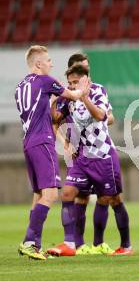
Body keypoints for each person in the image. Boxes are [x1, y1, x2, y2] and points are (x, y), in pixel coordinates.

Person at [47, 64, 133, 257]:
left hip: (102, 155)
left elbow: (101, 116)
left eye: (75, 82)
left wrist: (84, 97)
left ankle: (122, 245)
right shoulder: (69, 97)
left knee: (110, 199)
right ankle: (71, 243)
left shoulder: (97, 92)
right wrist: (53, 101)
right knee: (68, 193)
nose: (72, 86)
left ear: (87, 80)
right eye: (69, 83)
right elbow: (56, 118)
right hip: (82, 156)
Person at [16, 45, 90, 260]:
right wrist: (83, 90)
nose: (51, 64)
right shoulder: (45, 81)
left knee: (38, 194)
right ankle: (30, 242)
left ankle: (33, 243)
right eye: (48, 60)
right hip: (42, 141)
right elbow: (73, 94)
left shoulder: (20, 86)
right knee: (50, 194)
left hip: (28, 142)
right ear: (38, 64)